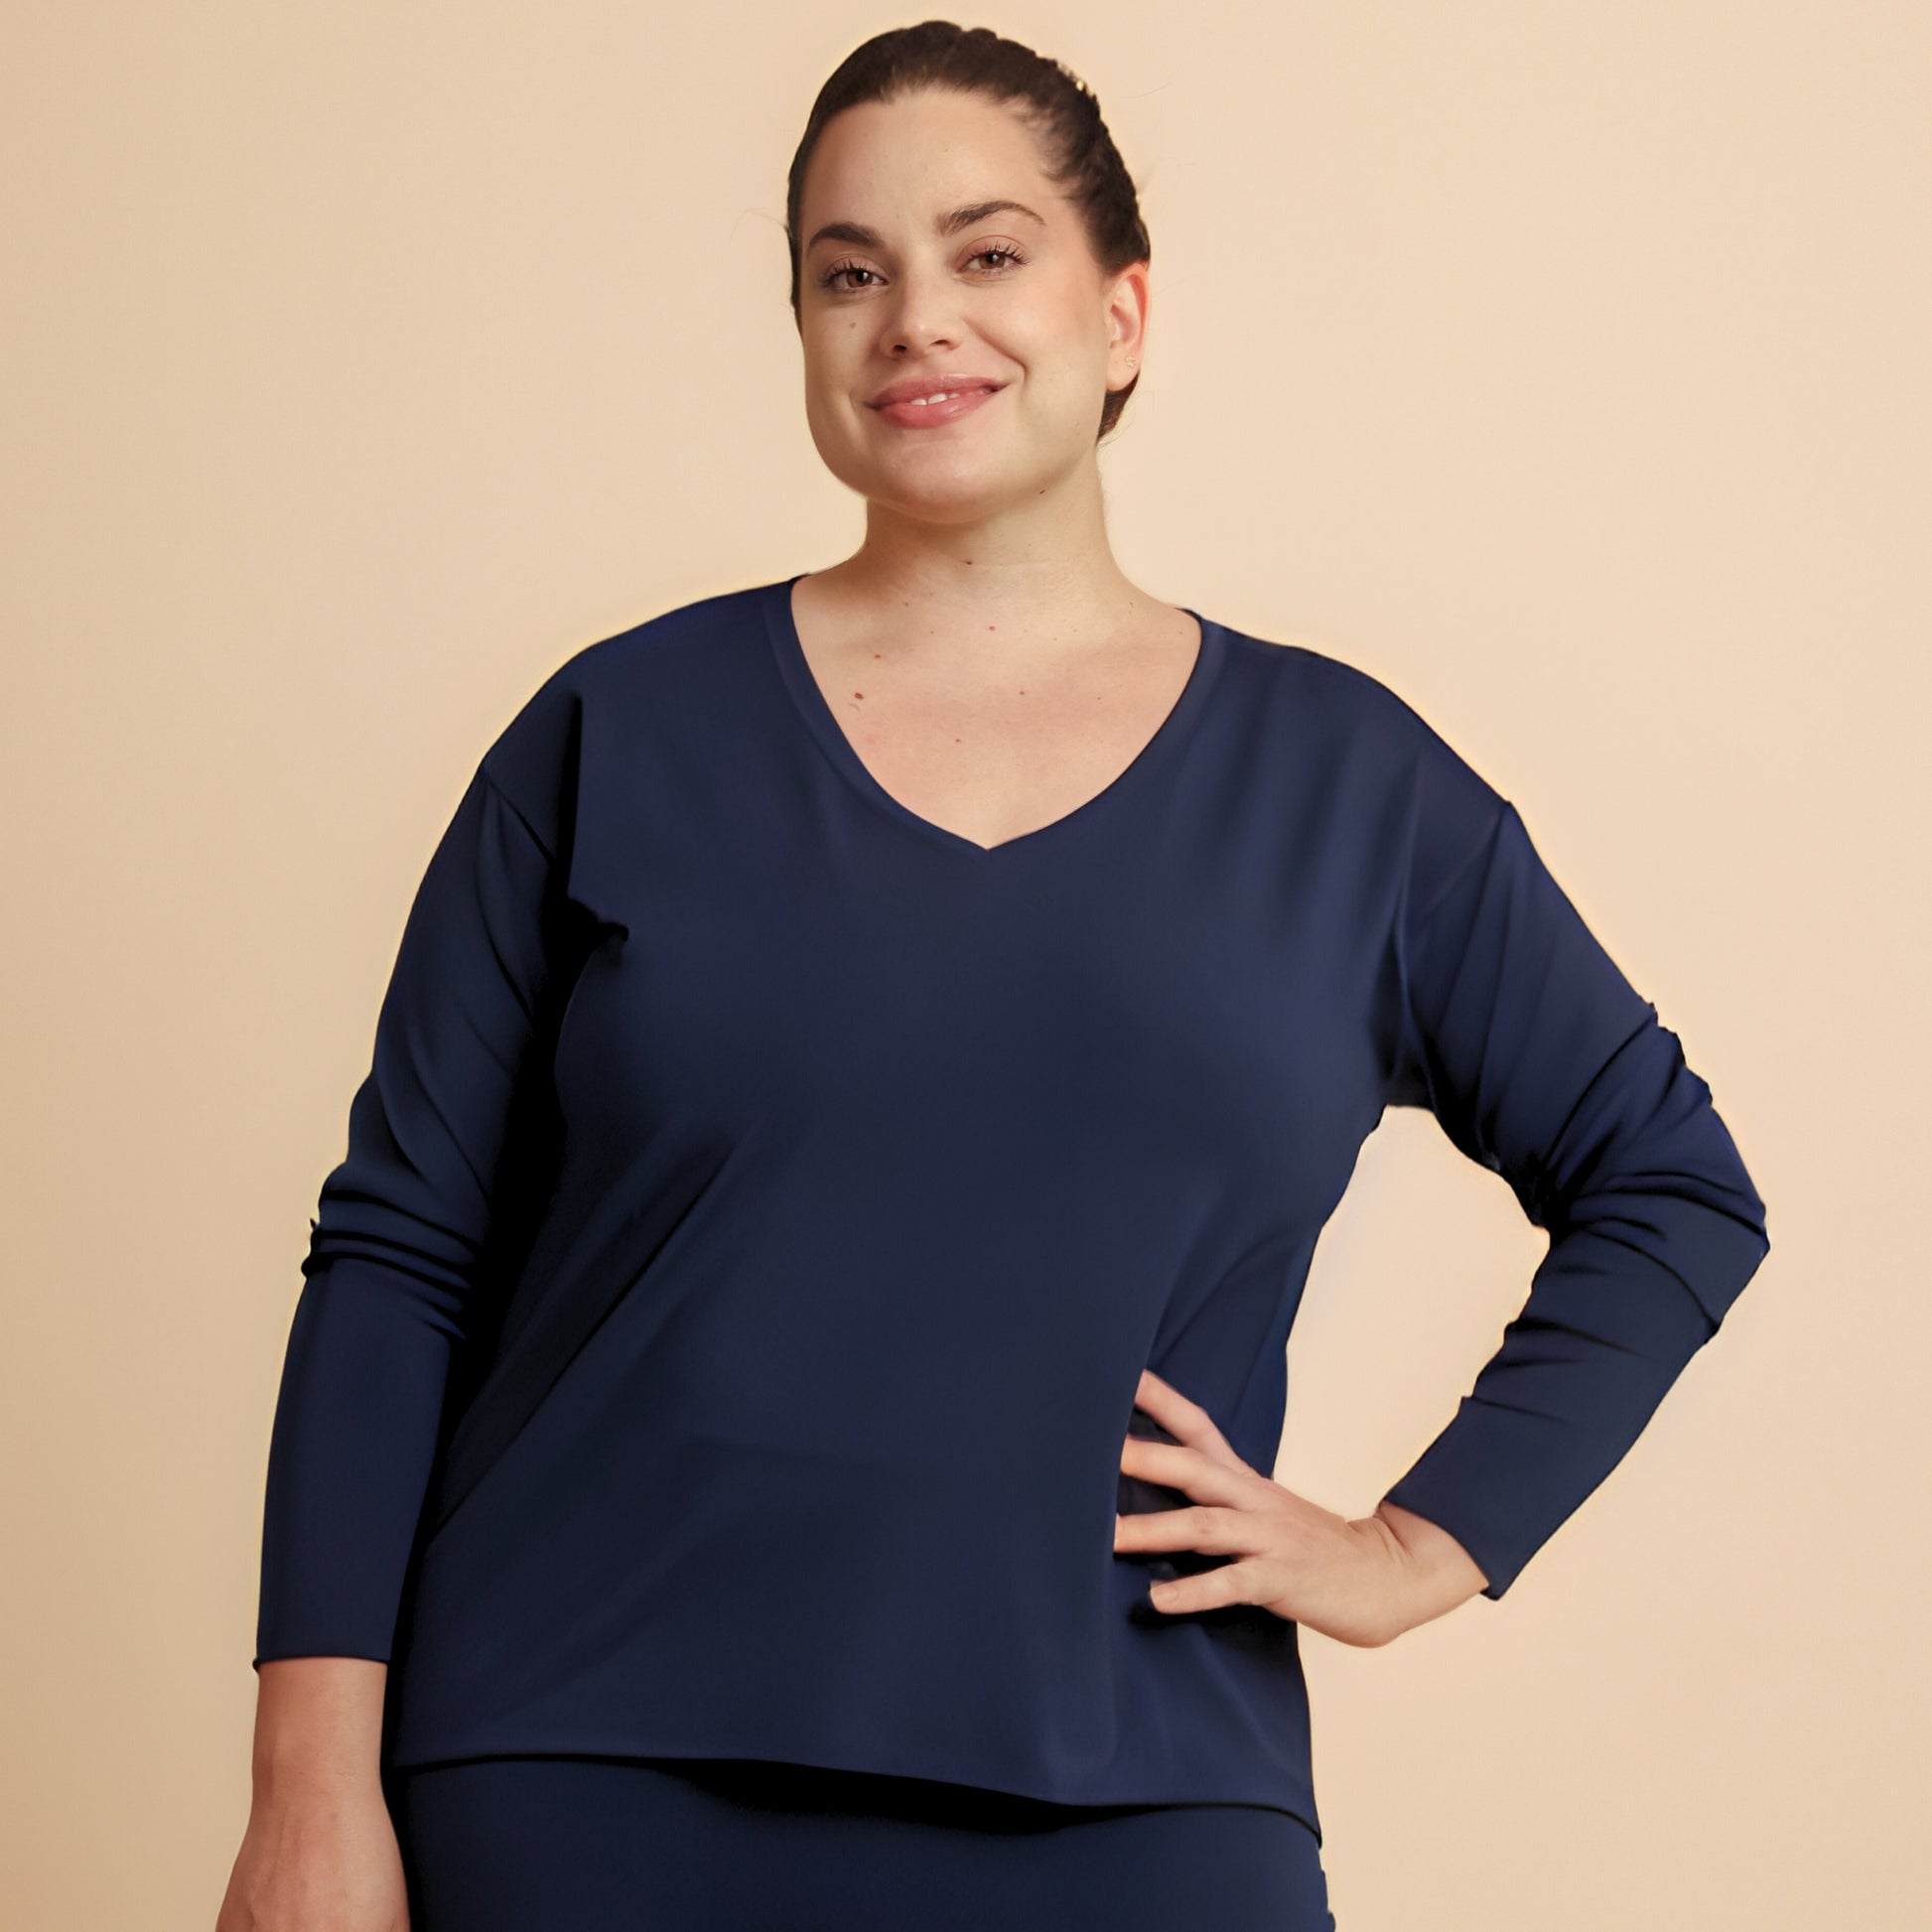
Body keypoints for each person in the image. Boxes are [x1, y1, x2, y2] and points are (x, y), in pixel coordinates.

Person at [217, 22, 1769, 1932]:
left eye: (987, 253)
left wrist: (1416, 1544)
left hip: (1137, 1785)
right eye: (847, 273)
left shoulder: (1350, 791)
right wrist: (308, 1787)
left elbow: (1669, 1184)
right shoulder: (616, 732)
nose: (911, 322)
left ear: (1121, 312)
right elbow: (400, 1256)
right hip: (571, 1770)